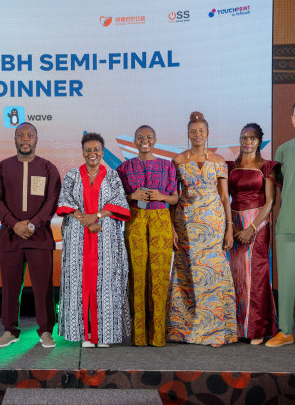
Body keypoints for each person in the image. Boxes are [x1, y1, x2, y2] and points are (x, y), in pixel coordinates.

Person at [166, 111, 237, 347]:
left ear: (208, 133)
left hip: (213, 223)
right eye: (193, 131)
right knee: (187, 273)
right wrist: (171, 228)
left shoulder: (218, 161)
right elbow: (173, 197)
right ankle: (183, 330)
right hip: (185, 222)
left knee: (213, 273)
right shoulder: (177, 161)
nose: (197, 134)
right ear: (188, 134)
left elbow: (225, 197)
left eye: (201, 131)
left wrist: (229, 228)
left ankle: (216, 331)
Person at [0, 122, 60, 348]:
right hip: (11, 237)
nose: (25, 138)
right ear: (15, 139)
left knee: (43, 287)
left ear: (36, 139)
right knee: (10, 287)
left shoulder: (48, 168)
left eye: (30, 135)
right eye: (21, 135)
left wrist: (33, 224)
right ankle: (10, 330)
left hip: (40, 238)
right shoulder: (1, 168)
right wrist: (14, 224)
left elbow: (52, 200)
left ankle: (46, 331)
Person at [57, 132, 131, 347]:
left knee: (105, 285)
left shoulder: (112, 176)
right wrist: (87, 220)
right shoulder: (72, 175)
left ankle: (104, 335)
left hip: (105, 237)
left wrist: (96, 216)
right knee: (79, 284)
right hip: (78, 237)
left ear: (102, 152)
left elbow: (119, 202)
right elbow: (65, 201)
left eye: (96, 149)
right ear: (82, 152)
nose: (92, 153)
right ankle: (85, 335)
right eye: (88, 150)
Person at [116, 126, 177, 347]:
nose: (145, 141)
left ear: (155, 140)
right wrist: (132, 195)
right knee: (137, 274)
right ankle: (139, 335)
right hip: (135, 220)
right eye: (140, 137)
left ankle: (158, 335)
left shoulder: (167, 166)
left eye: (149, 137)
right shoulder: (124, 168)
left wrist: (161, 196)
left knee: (159, 275)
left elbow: (175, 198)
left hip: (161, 220)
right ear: (134, 141)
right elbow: (115, 199)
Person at [227, 124, 278, 345]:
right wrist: (231, 227)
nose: (247, 141)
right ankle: (238, 327)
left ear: (259, 142)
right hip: (235, 224)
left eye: (252, 138)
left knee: (256, 275)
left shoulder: (267, 167)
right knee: (236, 274)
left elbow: (270, 202)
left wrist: (251, 228)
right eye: (244, 137)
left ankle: (256, 328)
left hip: (257, 223)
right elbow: (225, 198)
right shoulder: (230, 166)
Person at [266, 103, 295, 347]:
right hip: (287, 223)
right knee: (286, 281)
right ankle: (285, 330)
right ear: (292, 119)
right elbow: (277, 189)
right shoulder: (283, 150)